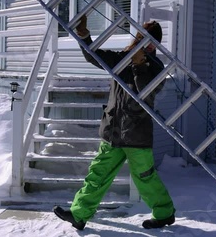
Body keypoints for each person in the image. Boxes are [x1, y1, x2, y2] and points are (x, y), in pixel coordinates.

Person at [53, 16, 175, 230]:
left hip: (136, 134)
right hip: (112, 132)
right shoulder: (123, 58)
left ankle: (164, 213)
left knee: (145, 178)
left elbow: (144, 94)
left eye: (148, 40)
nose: (144, 43)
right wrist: (85, 37)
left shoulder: (157, 67)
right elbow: (95, 57)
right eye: (140, 37)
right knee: (97, 174)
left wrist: (139, 66)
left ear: (155, 44)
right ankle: (79, 214)